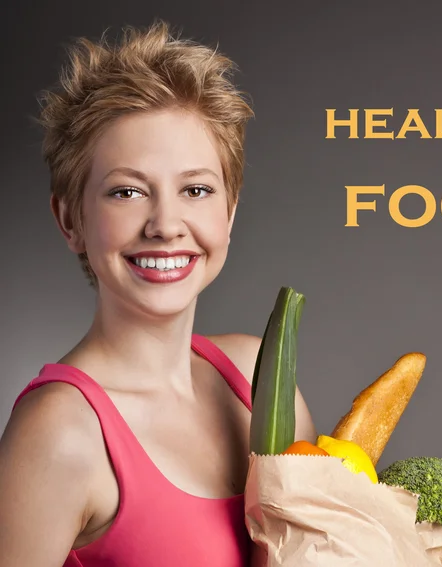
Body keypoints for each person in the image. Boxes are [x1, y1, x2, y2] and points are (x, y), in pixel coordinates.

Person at [0, 20, 317, 567]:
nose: (166, 224)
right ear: (69, 218)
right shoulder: (59, 432)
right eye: (127, 191)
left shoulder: (259, 381)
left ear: (229, 211)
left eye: (196, 189)